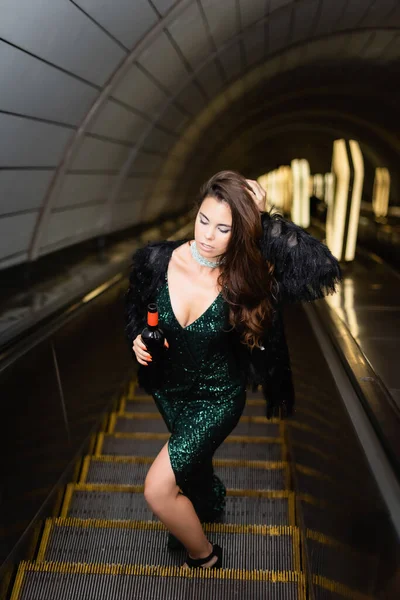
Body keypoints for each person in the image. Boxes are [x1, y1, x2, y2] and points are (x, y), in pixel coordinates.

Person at [125, 170, 341, 570]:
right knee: (191, 468)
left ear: (239, 232)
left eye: (224, 228)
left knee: (159, 489)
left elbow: (321, 269)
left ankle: (204, 555)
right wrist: (139, 340)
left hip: (218, 397)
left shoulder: (245, 277)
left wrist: (263, 221)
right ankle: (209, 501)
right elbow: (141, 316)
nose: (208, 235)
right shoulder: (158, 261)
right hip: (169, 392)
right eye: (203, 220)